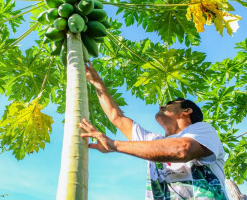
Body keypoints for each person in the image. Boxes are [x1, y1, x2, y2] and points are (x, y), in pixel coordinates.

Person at [80, 61, 227, 200]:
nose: (161, 106)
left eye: (170, 103)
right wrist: (97, 82)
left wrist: (115, 145)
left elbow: (183, 150)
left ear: (187, 111)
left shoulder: (202, 129)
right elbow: (117, 117)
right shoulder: (154, 141)